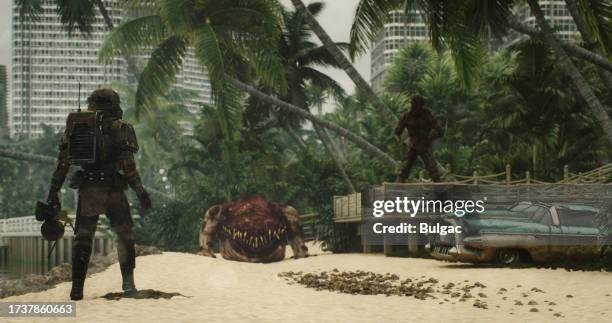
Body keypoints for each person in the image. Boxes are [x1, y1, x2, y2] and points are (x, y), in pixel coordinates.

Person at [45, 89, 151, 300]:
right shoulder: (121, 128)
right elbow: (128, 165)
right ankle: (128, 286)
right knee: (124, 235)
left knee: (82, 238)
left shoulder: (78, 125)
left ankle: (77, 290)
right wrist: (141, 192)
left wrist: (53, 193)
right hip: (113, 189)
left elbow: (63, 163)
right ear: (115, 104)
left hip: (89, 189)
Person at [394, 95, 442, 182]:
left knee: (433, 169)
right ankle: (397, 185)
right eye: (413, 104)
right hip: (412, 144)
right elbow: (397, 132)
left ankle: (439, 188)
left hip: (425, 143)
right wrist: (400, 142)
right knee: (405, 168)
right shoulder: (407, 116)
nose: (415, 107)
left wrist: (430, 138)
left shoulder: (428, 114)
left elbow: (438, 130)